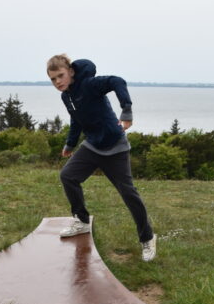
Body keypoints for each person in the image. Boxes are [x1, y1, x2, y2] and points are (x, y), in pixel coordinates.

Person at [46, 53, 156, 261]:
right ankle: (82, 221)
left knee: (128, 193)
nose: (57, 82)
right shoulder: (66, 96)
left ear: (70, 72)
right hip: (92, 146)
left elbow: (117, 81)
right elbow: (76, 119)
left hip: (115, 147)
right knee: (68, 176)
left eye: (60, 75)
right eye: (53, 79)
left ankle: (147, 238)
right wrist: (70, 144)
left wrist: (127, 110)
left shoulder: (89, 85)